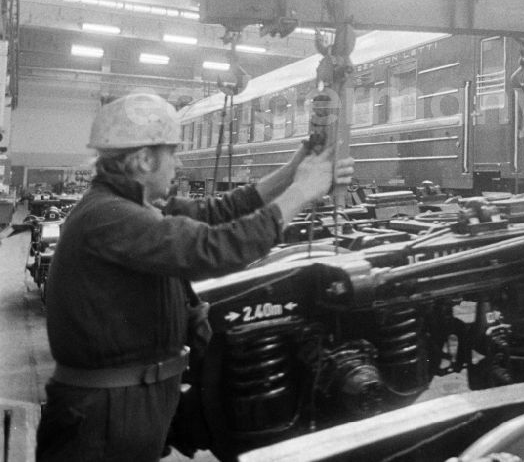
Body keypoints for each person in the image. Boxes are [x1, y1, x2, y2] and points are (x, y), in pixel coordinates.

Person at [35, 92, 354, 461]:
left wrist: (294, 168)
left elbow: (217, 212)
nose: (180, 163)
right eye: (172, 152)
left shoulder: (130, 206)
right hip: (104, 418)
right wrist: (302, 191)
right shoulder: (110, 216)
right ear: (143, 159)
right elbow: (215, 247)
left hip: (121, 408)